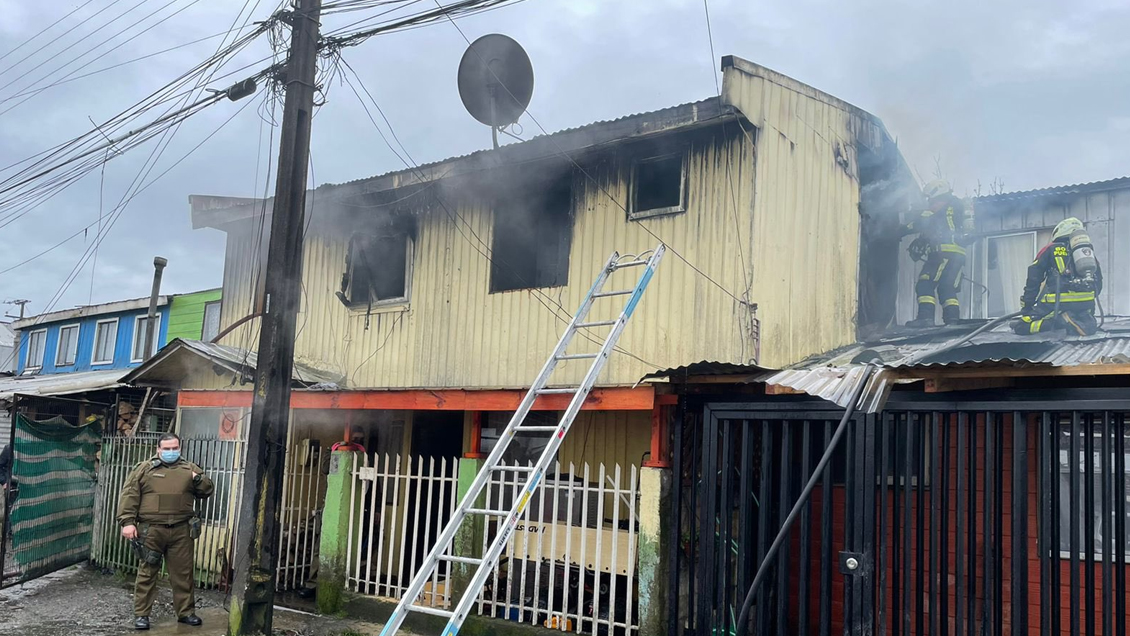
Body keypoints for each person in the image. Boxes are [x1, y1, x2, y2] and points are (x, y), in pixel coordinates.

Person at [117, 433, 214, 630]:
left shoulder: (190, 469)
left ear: (180, 448)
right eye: (167, 449)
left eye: (174, 448)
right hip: (151, 530)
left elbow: (207, 491)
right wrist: (127, 522)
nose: (171, 452)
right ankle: (142, 615)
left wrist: (197, 479)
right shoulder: (144, 469)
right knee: (147, 572)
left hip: (181, 530)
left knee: (183, 574)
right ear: (158, 449)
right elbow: (130, 495)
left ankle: (186, 612)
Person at [298, 430, 369, 599]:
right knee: (320, 548)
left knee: (356, 549)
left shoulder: (364, 458)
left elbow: (374, 484)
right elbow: (325, 469)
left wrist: (377, 509)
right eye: (353, 438)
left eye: (359, 439)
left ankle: (349, 584)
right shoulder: (336, 453)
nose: (355, 442)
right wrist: (332, 451)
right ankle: (313, 584)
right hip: (330, 508)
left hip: (358, 509)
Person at [902, 180, 976, 328]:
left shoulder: (945, 206)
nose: (930, 203)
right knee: (946, 287)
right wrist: (922, 241)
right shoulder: (956, 207)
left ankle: (925, 318)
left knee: (925, 284)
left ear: (938, 194)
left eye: (932, 200)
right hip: (957, 254)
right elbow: (936, 228)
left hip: (943, 253)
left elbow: (922, 222)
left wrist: (899, 229)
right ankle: (952, 320)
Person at [1012, 217, 1103, 336]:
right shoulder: (1088, 252)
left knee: (1021, 327)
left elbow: (1033, 279)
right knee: (1086, 324)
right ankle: (1083, 320)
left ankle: (1061, 321)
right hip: (1087, 304)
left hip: (1058, 303)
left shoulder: (1049, 249)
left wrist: (1027, 306)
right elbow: (1099, 283)